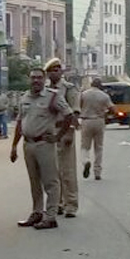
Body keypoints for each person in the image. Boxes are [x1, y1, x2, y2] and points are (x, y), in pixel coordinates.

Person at [10, 66, 70, 230]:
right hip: (28, 144)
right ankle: (37, 212)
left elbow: (69, 115)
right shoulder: (24, 98)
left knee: (50, 181)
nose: (36, 80)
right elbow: (20, 122)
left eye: (39, 77)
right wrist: (14, 146)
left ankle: (50, 216)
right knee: (34, 181)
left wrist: (58, 136)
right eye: (33, 77)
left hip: (45, 144)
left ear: (44, 80)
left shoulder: (53, 97)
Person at [47, 59, 80, 218]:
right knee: (53, 171)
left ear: (61, 72)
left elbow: (75, 112)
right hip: (49, 133)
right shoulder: (45, 90)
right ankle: (57, 203)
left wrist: (70, 132)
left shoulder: (69, 89)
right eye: (51, 70)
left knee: (67, 170)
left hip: (64, 129)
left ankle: (71, 205)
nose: (54, 72)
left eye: (57, 69)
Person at [79, 78, 113, 180]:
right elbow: (113, 109)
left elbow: (78, 106)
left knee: (85, 146)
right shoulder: (104, 96)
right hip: (99, 120)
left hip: (86, 121)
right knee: (98, 147)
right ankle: (97, 172)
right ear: (100, 85)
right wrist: (106, 114)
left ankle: (86, 161)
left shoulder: (84, 94)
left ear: (91, 84)